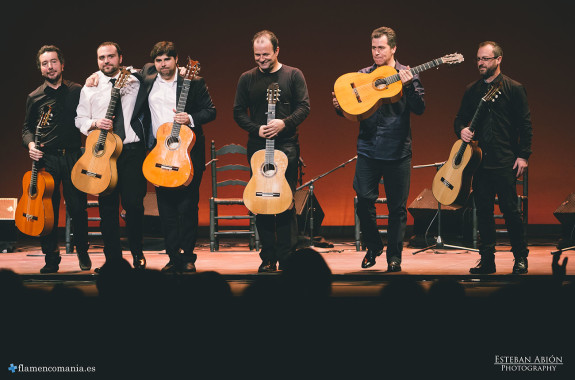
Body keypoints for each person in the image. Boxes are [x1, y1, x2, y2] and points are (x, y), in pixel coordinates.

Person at [332, 26, 424, 272]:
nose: (376, 52)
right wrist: (339, 106)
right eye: (373, 48)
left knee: (397, 208)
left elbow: (420, 108)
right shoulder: (362, 75)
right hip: (368, 148)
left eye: (381, 47)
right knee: (363, 200)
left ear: (393, 48)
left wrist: (408, 87)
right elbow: (349, 108)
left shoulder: (408, 74)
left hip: (398, 150)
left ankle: (394, 257)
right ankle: (373, 246)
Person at [233, 30, 310, 272]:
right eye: (257, 55)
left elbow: (304, 107)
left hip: (286, 147)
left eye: (266, 54)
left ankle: (287, 258)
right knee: (261, 204)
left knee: (285, 204)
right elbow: (237, 112)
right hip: (258, 148)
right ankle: (267, 257)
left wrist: (284, 123)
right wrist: (257, 129)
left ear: (277, 50)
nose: (261, 59)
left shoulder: (293, 75)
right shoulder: (247, 78)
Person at [455, 41, 532, 274]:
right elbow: (459, 118)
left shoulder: (514, 88)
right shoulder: (472, 90)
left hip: (505, 159)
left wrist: (523, 156)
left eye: (485, 59)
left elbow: (525, 124)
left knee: (511, 211)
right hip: (479, 162)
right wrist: (461, 130)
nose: (480, 63)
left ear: (498, 60)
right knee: (484, 212)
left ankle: (520, 258)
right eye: (478, 58)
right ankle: (487, 260)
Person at [76, 42, 149, 271]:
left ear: (120, 58)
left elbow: (151, 69)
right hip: (104, 155)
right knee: (107, 209)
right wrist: (95, 123)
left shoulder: (135, 80)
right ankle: (113, 262)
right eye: (101, 57)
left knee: (134, 206)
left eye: (110, 57)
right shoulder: (89, 87)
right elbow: (79, 120)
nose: (106, 61)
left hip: (131, 151)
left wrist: (132, 70)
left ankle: (137, 255)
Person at [144, 41, 216, 273]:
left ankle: (188, 257)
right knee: (166, 210)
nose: (163, 64)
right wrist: (93, 77)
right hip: (160, 151)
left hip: (188, 153)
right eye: (158, 60)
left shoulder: (193, 82)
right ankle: (173, 256)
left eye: (167, 59)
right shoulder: (147, 80)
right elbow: (119, 71)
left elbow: (210, 111)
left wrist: (191, 118)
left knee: (187, 208)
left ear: (176, 60)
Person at [22, 45, 91, 273]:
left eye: (53, 62)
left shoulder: (77, 90)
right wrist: (31, 144)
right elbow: (26, 129)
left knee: (78, 208)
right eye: (45, 63)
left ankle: (82, 251)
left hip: (72, 157)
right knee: (46, 211)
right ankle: (51, 258)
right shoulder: (34, 97)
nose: (49, 67)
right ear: (40, 69)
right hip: (47, 160)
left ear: (62, 64)